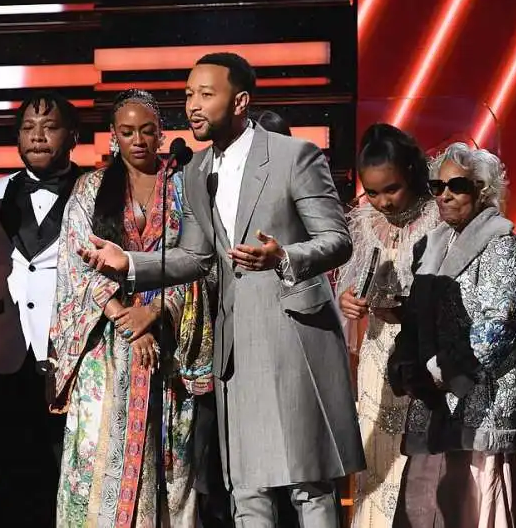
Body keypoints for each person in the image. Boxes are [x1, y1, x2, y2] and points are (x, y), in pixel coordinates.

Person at [77, 53, 365, 528]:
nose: (193, 105)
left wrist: (284, 257)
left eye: (206, 94)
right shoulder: (195, 172)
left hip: (292, 334)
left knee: (307, 482)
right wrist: (129, 262)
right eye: (189, 94)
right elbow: (196, 257)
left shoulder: (294, 156)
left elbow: (338, 240)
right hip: (235, 343)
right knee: (246, 486)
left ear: (240, 102)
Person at [48, 89, 214, 527]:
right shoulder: (89, 188)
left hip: (170, 342)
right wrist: (129, 321)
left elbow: (200, 261)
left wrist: (156, 311)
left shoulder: (184, 185)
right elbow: (76, 262)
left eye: (146, 130)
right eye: (127, 131)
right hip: (106, 343)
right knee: (99, 454)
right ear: (112, 137)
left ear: (161, 133)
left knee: (170, 461)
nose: (137, 140)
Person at [388, 143, 516, 528]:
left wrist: (439, 371)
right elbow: (416, 321)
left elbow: (496, 329)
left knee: (472, 509)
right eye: (437, 186)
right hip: (432, 408)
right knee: (423, 507)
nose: (445, 194)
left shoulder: (503, 249)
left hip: (480, 411)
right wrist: (407, 366)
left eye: (457, 185)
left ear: (482, 191)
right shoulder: (431, 249)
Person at [0, 91, 82, 527]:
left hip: (72, 355)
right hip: (6, 357)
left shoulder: (96, 188)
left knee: (70, 479)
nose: (38, 136)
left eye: (50, 127)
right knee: (11, 480)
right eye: (28, 128)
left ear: (73, 137)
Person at [335, 123, 439, 527]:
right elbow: (348, 279)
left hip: (425, 358)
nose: (382, 202)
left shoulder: (437, 217)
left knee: (419, 463)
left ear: (411, 172)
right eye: (373, 192)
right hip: (377, 357)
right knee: (375, 460)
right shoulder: (361, 222)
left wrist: (411, 312)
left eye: (391, 189)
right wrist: (348, 300)